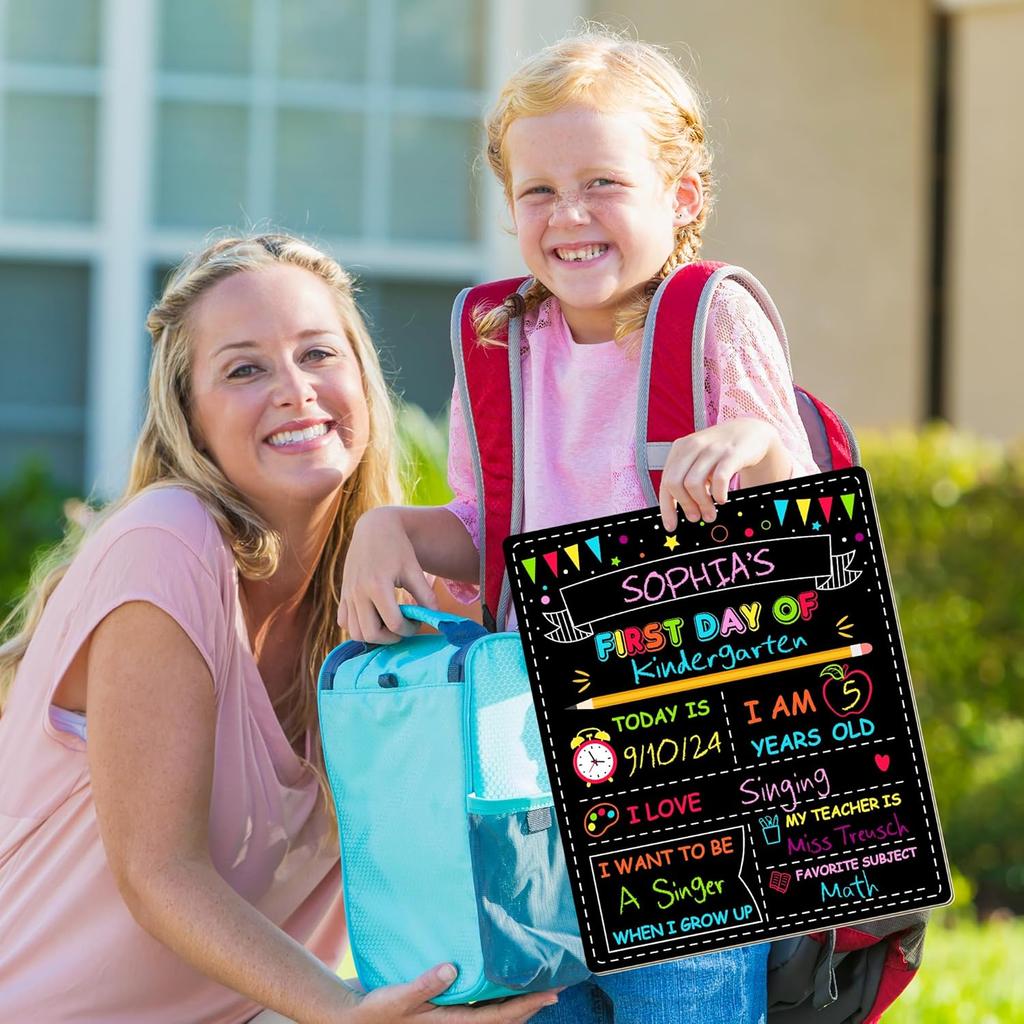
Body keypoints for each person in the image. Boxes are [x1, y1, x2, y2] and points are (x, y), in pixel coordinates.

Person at [338, 29, 821, 1024]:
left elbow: (805, 518)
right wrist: (401, 528)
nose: (569, 215)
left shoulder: (709, 318)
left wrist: (747, 447)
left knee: (683, 1000)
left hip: (689, 783)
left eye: (604, 181)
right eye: (538, 191)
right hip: (528, 783)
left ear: (681, 196)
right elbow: (492, 524)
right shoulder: (497, 338)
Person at [0, 234, 558, 1024]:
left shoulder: (395, 604)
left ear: (363, 379)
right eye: (244, 368)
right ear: (190, 421)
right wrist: (347, 1011)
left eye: (318, 353)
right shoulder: (165, 543)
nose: (295, 390)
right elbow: (159, 873)